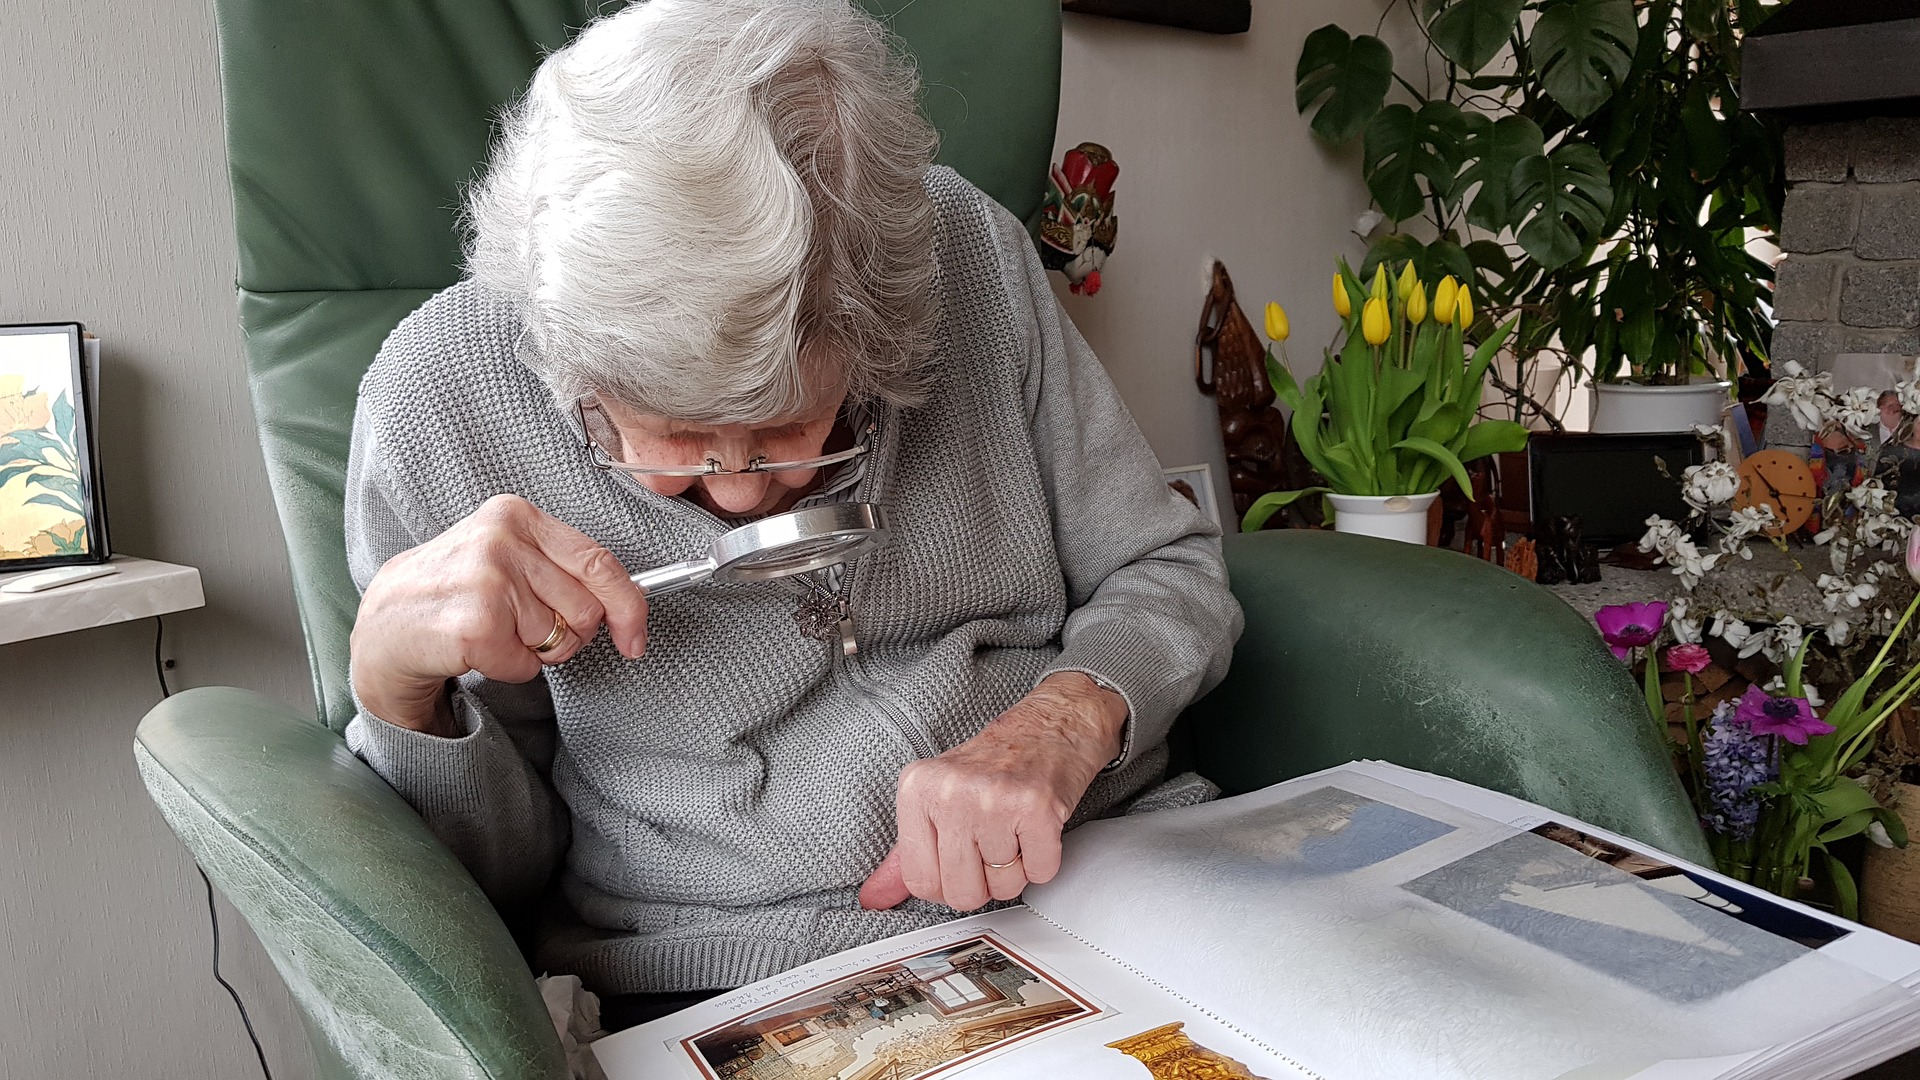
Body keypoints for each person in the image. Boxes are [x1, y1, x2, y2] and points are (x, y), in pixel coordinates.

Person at [341, 0, 1241, 1019]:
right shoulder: (437, 400)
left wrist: (1067, 723)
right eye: (670, 438)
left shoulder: (969, 260)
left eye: (785, 432)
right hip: (736, 971)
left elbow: (1166, 569)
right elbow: (486, 882)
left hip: (1111, 871)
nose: (732, 491)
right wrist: (396, 687)